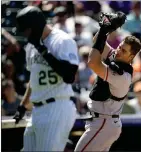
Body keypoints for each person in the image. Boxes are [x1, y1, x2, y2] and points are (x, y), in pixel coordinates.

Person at [13, 6, 79, 151]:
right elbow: (34, 78)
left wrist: (43, 50)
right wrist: (23, 106)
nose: (25, 34)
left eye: (26, 30)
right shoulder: (31, 46)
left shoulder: (62, 40)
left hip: (57, 107)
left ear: (35, 26)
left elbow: (69, 76)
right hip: (37, 110)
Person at [74, 11, 141, 151]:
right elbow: (97, 41)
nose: (118, 51)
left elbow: (93, 62)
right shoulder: (117, 56)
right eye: (119, 47)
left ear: (131, 57)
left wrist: (105, 30)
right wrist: (106, 29)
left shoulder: (123, 75)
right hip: (103, 122)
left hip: (104, 123)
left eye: (123, 51)